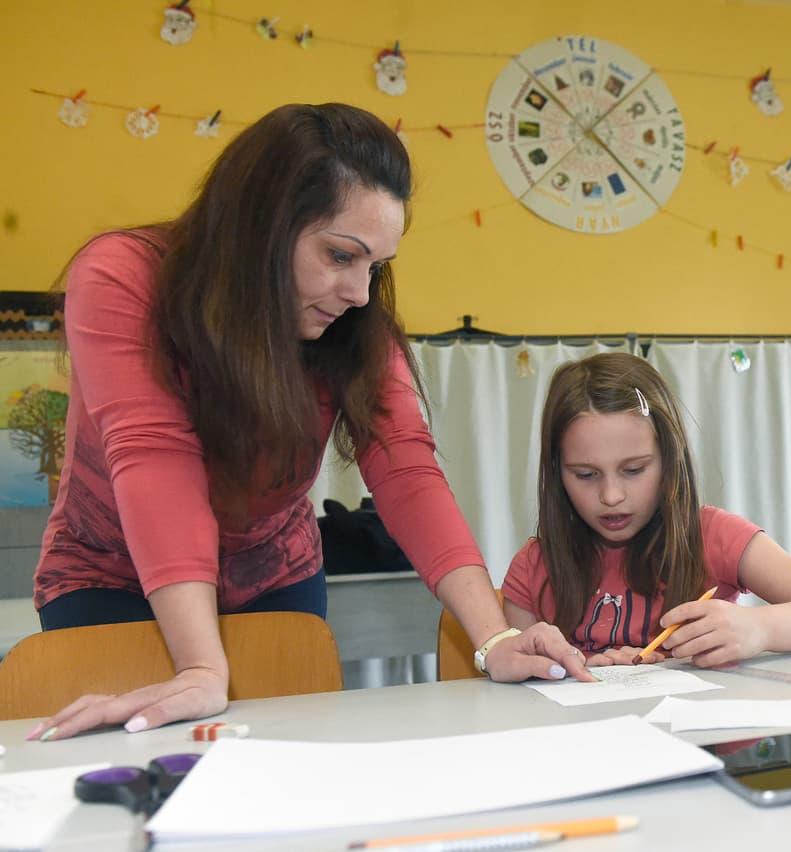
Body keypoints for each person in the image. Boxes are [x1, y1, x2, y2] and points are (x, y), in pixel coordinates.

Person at [27, 103, 590, 743]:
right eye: (340, 256)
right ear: (261, 226)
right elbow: (154, 459)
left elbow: (407, 470)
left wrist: (494, 638)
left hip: (273, 576)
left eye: (375, 267)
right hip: (113, 575)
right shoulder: (124, 276)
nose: (360, 293)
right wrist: (200, 665)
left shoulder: (352, 326)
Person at [502, 352, 791, 667]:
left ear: (669, 460)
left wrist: (759, 628)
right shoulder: (534, 567)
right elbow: (519, 697)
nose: (612, 495)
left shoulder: (714, 536)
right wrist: (571, 673)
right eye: (585, 474)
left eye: (634, 470)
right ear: (556, 472)